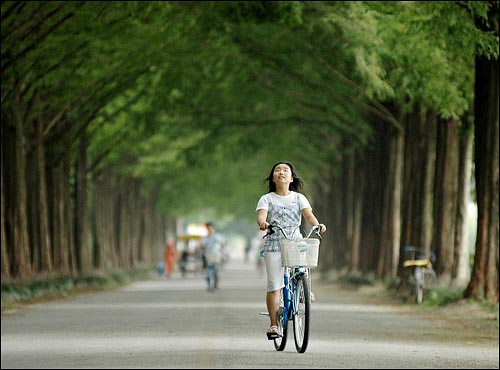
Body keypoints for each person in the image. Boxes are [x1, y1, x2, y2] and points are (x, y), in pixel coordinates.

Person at [255, 161, 326, 339]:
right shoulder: (267, 199)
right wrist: (263, 223)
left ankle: (303, 287)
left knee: (303, 266)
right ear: (273, 177)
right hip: (274, 244)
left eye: (285, 170)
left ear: (291, 177)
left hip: (295, 242)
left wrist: (317, 225)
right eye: (277, 170)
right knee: (274, 286)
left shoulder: (299, 198)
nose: (281, 172)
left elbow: (308, 215)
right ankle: (273, 325)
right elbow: (261, 215)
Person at [201, 222, 225, 292]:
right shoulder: (205, 237)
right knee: (208, 271)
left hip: (216, 255)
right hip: (208, 255)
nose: (209, 229)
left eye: (210, 228)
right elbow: (202, 244)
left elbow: (222, 244)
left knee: (215, 270)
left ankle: (215, 285)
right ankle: (209, 286)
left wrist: (220, 250)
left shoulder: (217, 236)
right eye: (208, 228)